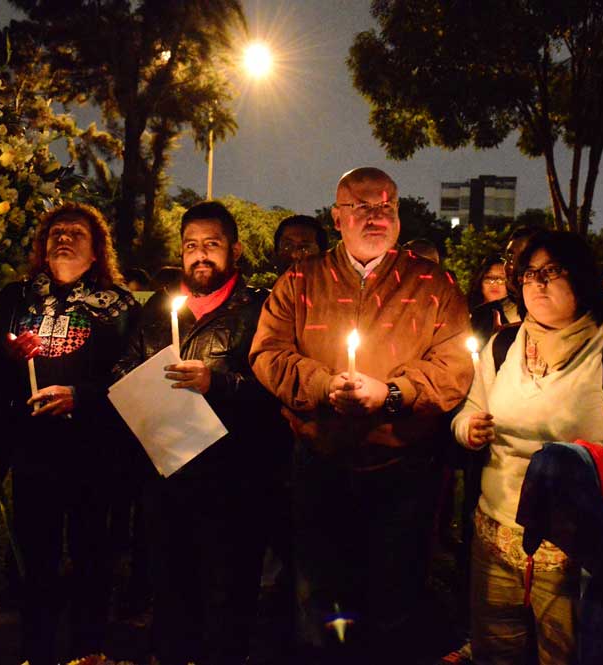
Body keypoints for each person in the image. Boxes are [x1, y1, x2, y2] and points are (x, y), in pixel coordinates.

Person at [250, 167, 472, 664]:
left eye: (386, 206)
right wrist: (324, 386)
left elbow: (455, 366)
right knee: (320, 596)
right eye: (362, 206)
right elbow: (268, 354)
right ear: (337, 216)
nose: (376, 216)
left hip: (402, 470)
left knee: (395, 598)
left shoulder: (433, 283)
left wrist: (393, 394)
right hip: (319, 464)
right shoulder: (300, 281)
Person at [452, 231, 603, 665]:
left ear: (581, 281)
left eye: (553, 272)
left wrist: (587, 464)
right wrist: (467, 428)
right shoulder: (503, 346)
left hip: (575, 549)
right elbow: (469, 409)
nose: (539, 283)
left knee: (566, 655)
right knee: (496, 650)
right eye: (531, 273)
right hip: (495, 536)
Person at [115, 200, 283, 665]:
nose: (200, 255)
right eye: (191, 246)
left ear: (235, 249)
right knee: (170, 593)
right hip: (167, 476)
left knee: (226, 599)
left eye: (212, 244)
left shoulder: (260, 310)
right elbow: (125, 366)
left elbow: (275, 390)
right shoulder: (157, 308)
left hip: (233, 483)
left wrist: (218, 383)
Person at [0, 202, 138, 665]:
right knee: (35, 557)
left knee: (92, 554)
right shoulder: (17, 297)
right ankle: (37, 650)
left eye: (76, 233)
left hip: (93, 448)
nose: (63, 238)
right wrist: (10, 356)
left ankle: (88, 650)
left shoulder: (118, 304)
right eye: (56, 232)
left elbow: (129, 374)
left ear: (96, 252)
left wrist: (80, 396)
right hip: (33, 448)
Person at [469, 226, 539, 343]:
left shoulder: (557, 315)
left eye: (523, 258)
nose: (512, 266)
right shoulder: (483, 316)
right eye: (510, 257)